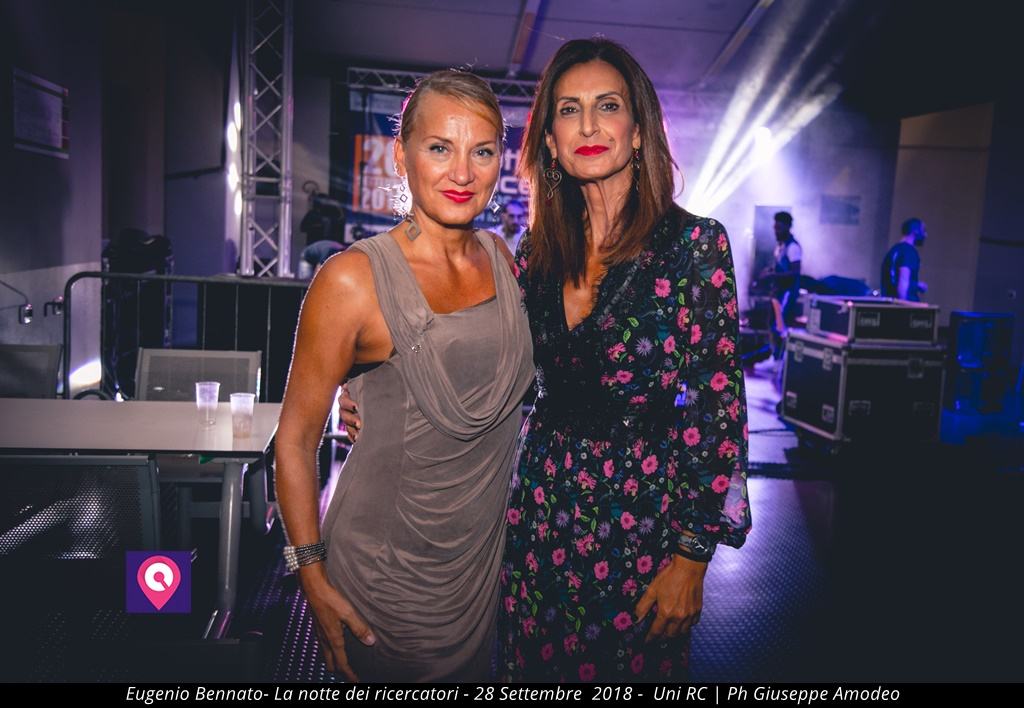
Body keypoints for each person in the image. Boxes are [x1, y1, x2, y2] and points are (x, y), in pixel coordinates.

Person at [496, 37, 751, 683]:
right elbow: (496, 374)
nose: (587, 126)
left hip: (639, 526)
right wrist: (380, 390)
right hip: (539, 513)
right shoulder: (534, 254)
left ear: (638, 131)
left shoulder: (694, 245)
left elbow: (718, 413)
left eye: (607, 106)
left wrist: (691, 559)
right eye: (568, 110)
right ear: (549, 141)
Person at [274, 70, 535, 682]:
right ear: (401, 156)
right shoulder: (351, 279)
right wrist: (310, 572)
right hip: (388, 570)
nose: (462, 173)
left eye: (482, 152)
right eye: (440, 147)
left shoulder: (501, 258)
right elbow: (294, 440)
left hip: (478, 567)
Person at [880, 217, 929, 301]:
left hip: (889, 302)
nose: (926, 235)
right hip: (903, 305)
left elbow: (894, 279)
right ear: (915, 231)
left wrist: (916, 285)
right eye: (923, 230)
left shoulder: (893, 250)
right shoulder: (909, 252)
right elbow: (902, 283)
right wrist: (904, 304)